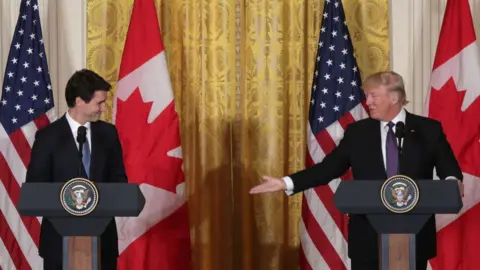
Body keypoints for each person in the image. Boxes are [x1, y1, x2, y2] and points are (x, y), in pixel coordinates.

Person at [249, 71, 464, 270]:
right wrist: (286, 182)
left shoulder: (428, 129)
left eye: (373, 96)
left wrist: (453, 182)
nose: (367, 102)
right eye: (366, 96)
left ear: (394, 98)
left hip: (415, 236)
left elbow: (449, 168)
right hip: (367, 238)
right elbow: (328, 169)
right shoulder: (358, 132)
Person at [25, 69, 127, 270]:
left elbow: (119, 180)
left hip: (102, 241)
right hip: (59, 243)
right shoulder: (48, 137)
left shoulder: (108, 134)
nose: (103, 108)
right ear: (79, 101)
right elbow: (35, 187)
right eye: (99, 102)